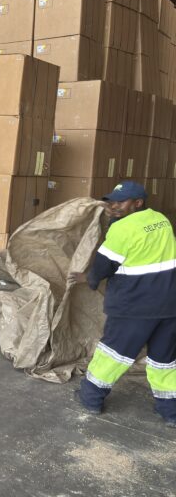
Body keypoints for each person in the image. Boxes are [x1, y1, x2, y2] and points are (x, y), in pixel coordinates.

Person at [69, 181, 176, 428]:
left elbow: (104, 265)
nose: (113, 206)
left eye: (121, 202)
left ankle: (91, 398)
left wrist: (89, 279)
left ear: (138, 203)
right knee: (165, 359)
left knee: (114, 353)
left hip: (135, 305)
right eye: (111, 201)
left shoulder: (123, 229)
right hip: (169, 304)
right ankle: (170, 411)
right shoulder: (161, 220)